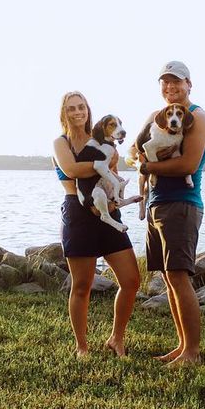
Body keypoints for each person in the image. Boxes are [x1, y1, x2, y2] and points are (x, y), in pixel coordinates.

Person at [52, 91, 141, 359]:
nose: (78, 112)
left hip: (107, 211)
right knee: (82, 285)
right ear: (64, 113)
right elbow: (71, 171)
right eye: (71, 109)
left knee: (131, 280)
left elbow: (113, 174)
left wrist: (113, 189)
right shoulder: (61, 142)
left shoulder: (102, 137)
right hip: (77, 215)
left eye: (81, 107)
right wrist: (102, 163)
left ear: (88, 110)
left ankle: (117, 338)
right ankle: (82, 347)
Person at [135, 61, 205, 365]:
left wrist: (148, 166)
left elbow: (187, 165)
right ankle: (182, 348)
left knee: (179, 276)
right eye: (165, 83)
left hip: (181, 203)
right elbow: (135, 150)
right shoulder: (159, 119)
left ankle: (192, 352)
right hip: (158, 202)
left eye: (176, 82)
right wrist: (141, 162)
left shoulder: (198, 117)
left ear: (189, 84)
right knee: (169, 278)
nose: (170, 88)